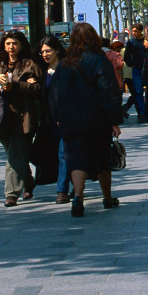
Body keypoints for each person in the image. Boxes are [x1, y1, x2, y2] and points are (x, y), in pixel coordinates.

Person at [47, 22, 124, 218]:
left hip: (70, 119)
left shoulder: (64, 63)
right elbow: (109, 90)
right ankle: (107, 196)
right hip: (96, 118)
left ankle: (78, 198)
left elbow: (54, 92)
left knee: (76, 158)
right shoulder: (99, 60)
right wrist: (113, 120)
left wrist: (57, 116)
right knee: (101, 157)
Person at [0, 29, 43, 207]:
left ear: (21, 45)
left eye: (15, 43)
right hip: (2, 116)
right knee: (13, 153)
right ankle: (28, 181)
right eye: (8, 43)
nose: (11, 47)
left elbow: (37, 89)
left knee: (15, 154)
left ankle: (11, 194)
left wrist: (15, 85)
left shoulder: (30, 64)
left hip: (23, 115)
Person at [39, 36, 72, 204]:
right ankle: (76, 182)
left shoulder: (67, 67)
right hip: (48, 120)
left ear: (57, 50)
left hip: (66, 117)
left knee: (63, 153)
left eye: (48, 51)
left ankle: (62, 190)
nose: (45, 54)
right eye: (42, 51)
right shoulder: (41, 70)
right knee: (60, 153)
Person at [123, 24, 148, 122]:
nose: (134, 33)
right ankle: (141, 113)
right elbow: (126, 56)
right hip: (136, 69)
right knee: (138, 92)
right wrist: (131, 64)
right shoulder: (131, 42)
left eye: (136, 31)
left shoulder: (146, 41)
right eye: (133, 31)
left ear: (141, 31)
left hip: (146, 69)